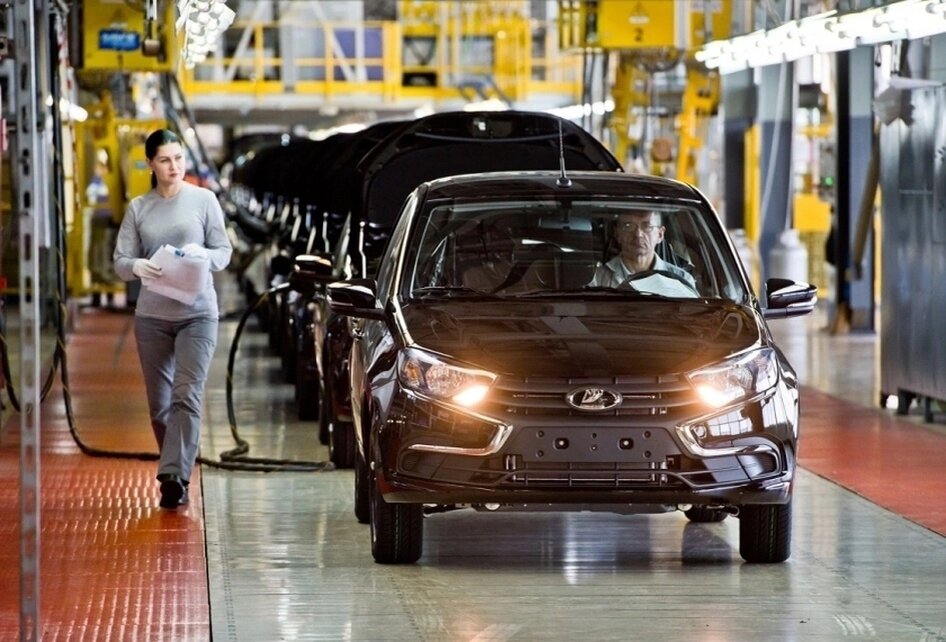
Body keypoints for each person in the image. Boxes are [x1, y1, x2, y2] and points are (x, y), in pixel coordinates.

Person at [113, 129, 233, 509]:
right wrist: (137, 266)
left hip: (198, 315)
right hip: (152, 318)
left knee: (186, 395)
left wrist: (202, 255)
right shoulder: (139, 208)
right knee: (160, 405)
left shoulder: (203, 200)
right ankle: (175, 466)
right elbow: (120, 262)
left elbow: (224, 252)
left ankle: (174, 477)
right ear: (150, 164)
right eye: (165, 160)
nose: (174, 166)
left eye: (178, 158)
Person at [589, 209, 697, 295]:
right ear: (617, 234)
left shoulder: (682, 280)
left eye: (647, 226)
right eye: (628, 226)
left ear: (660, 235)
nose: (638, 234)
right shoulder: (597, 279)